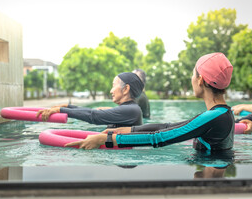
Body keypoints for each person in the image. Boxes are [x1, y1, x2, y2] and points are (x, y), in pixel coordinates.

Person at [65, 52, 235, 151]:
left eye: (193, 74)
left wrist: (107, 140)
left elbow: (160, 138)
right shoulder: (220, 113)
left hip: (210, 186)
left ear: (200, 80)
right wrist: (127, 130)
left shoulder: (214, 116)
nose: (191, 79)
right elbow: (168, 126)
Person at [36, 72, 144, 128]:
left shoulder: (131, 110)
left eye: (113, 86)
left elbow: (94, 116)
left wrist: (61, 110)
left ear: (125, 89)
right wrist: (68, 107)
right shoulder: (129, 109)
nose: (111, 91)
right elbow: (92, 112)